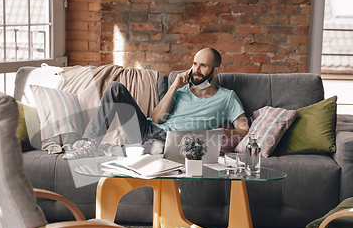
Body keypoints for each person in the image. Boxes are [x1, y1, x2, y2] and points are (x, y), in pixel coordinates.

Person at [65, 47, 249, 159]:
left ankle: (113, 150)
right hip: (147, 129)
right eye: (194, 64)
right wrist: (174, 87)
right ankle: (91, 144)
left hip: (174, 143)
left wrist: (224, 131)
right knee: (115, 88)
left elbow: (244, 130)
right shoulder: (182, 89)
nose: (195, 70)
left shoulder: (227, 97)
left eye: (203, 66)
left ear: (216, 71)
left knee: (154, 152)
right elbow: (156, 118)